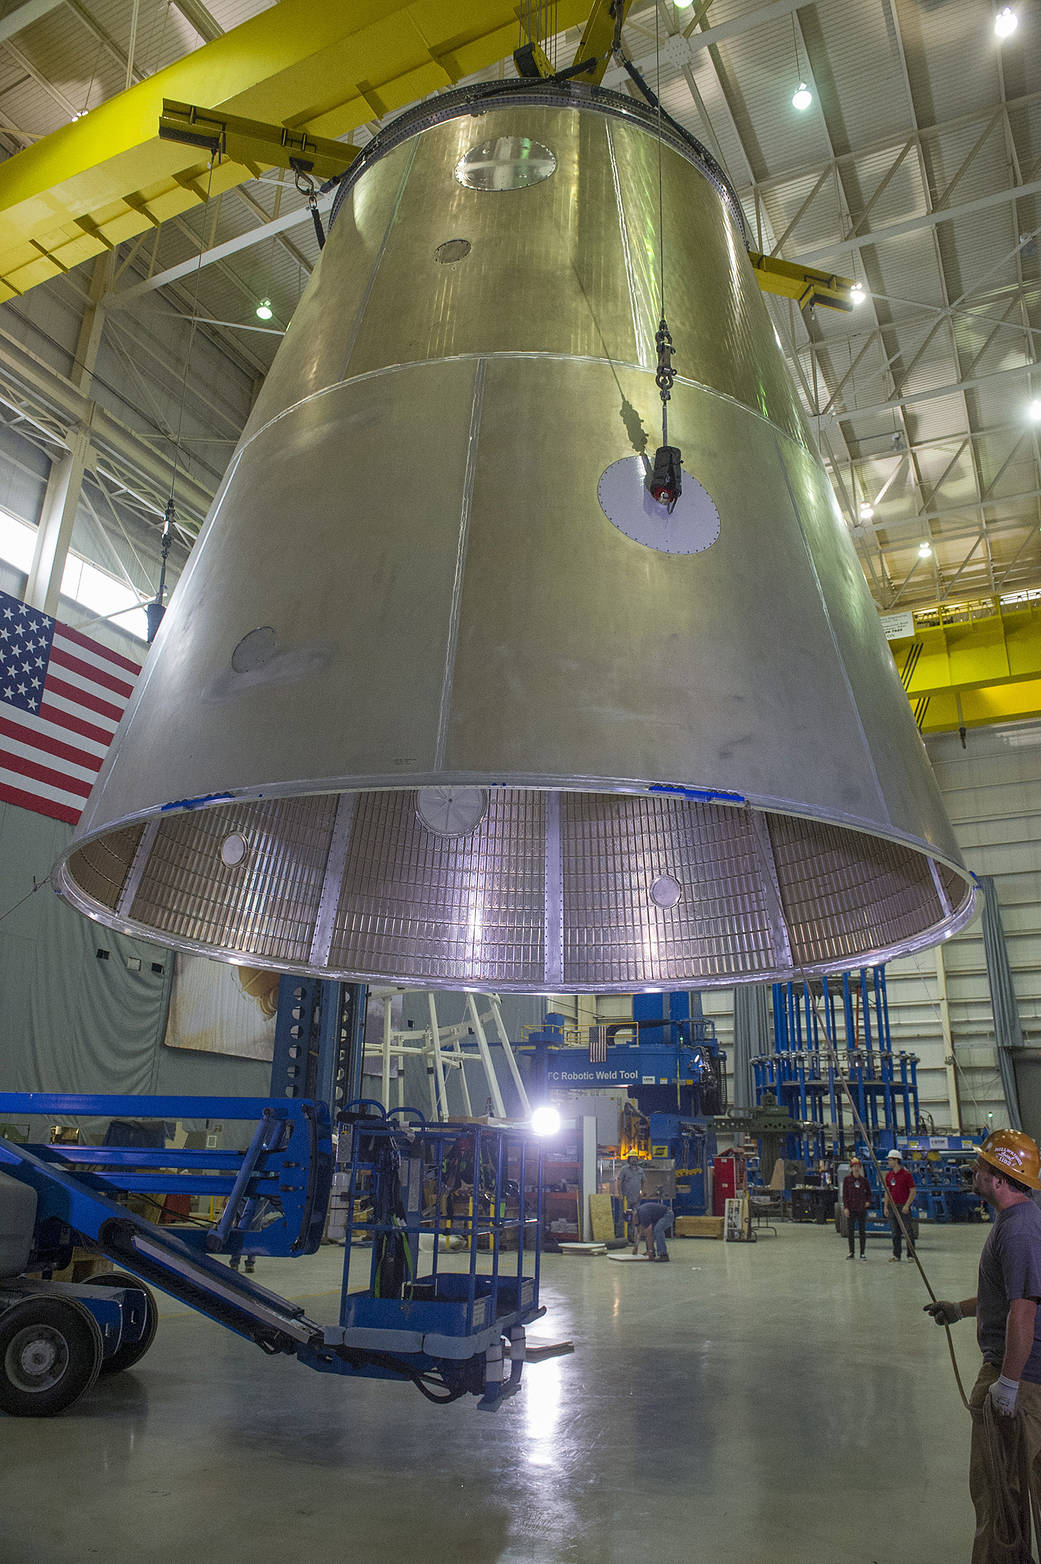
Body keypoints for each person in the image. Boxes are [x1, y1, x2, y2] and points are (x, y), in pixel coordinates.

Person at [923, 1130, 1041, 1564]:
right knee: (1008, 1489)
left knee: (999, 1493)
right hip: (1022, 1373)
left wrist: (1007, 1383)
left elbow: (1024, 1311)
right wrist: (959, 1309)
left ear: (1000, 1178)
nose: (973, 1171)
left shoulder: (1020, 1230)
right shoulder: (1014, 1222)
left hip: (1021, 1379)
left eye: (981, 1165)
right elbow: (1007, 1297)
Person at [883, 1149, 916, 1262]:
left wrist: (907, 1205)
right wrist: (886, 1206)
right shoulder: (889, 1175)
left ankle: (911, 1255)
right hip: (893, 1207)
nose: (888, 1162)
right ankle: (896, 1255)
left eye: (890, 1159)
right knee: (895, 1232)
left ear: (896, 1160)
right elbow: (887, 1191)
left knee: (908, 1232)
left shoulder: (906, 1175)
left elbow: (912, 1191)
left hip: (903, 1207)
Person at [842, 1155, 872, 1260]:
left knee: (862, 1231)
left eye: (857, 1166)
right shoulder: (847, 1180)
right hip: (851, 1209)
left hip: (861, 1209)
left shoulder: (864, 1181)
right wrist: (846, 1208)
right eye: (854, 1166)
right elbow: (845, 1195)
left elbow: (869, 1193)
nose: (856, 1168)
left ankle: (862, 1253)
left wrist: (868, 1202)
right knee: (850, 1231)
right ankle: (851, 1252)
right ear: (851, 1168)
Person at [632, 1197, 671, 1262]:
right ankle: (651, 1252)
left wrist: (650, 1250)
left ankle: (663, 1255)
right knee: (648, 1231)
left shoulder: (643, 1214)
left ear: (634, 1216)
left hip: (667, 1214)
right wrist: (635, 1247)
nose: (634, 1224)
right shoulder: (637, 1216)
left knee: (657, 1230)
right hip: (658, 1218)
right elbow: (638, 1233)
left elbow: (649, 1235)